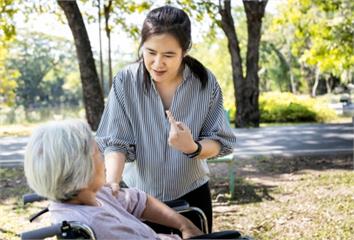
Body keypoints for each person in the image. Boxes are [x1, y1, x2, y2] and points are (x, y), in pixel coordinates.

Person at [96, 5, 237, 233]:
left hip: (192, 196)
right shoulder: (125, 81)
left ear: (185, 50)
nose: (157, 63)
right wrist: (112, 182)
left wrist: (193, 147)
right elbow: (115, 142)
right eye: (150, 52)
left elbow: (221, 142)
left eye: (169, 55)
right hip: (138, 199)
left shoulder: (205, 83)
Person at [23, 120, 204, 240]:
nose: (103, 160)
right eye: (97, 154)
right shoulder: (99, 226)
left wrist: (184, 224)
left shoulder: (92, 194)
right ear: (81, 169)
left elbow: (139, 201)